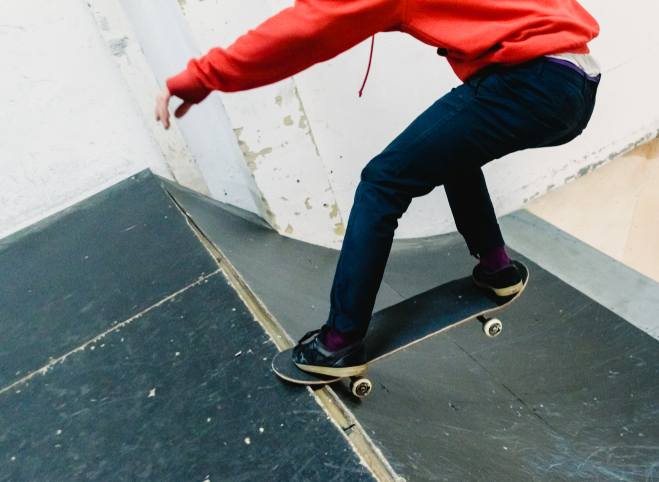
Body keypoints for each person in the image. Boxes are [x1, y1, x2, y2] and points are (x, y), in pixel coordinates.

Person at [155, 0, 600, 377]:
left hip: (530, 80)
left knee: (381, 182)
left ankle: (339, 341)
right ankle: (497, 269)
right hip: (575, 80)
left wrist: (200, 77)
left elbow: (304, 30)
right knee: (449, 151)